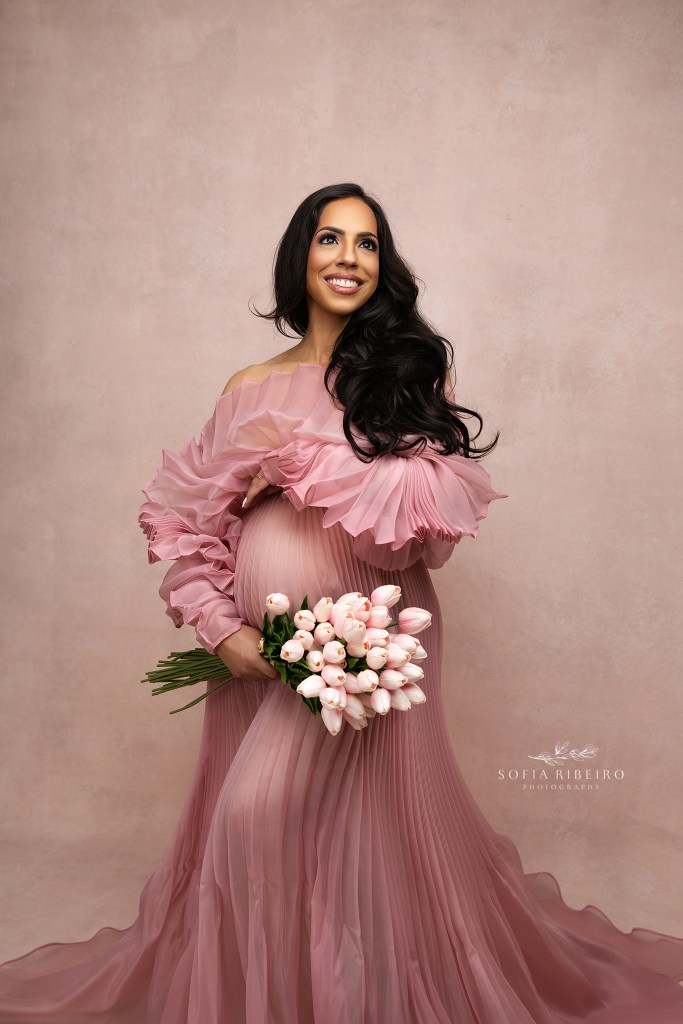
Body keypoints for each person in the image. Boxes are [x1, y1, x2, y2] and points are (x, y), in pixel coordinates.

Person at [1, 182, 682, 1023]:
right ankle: (294, 1000)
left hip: (365, 643)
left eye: (366, 243)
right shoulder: (248, 383)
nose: (348, 258)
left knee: (258, 818)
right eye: (330, 239)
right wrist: (222, 633)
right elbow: (184, 522)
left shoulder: (406, 372)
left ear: (381, 266)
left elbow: (418, 533)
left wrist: (297, 465)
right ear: (301, 256)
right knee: (305, 838)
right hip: (258, 653)